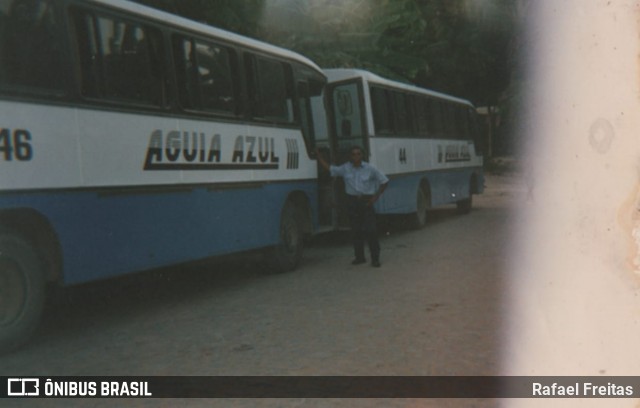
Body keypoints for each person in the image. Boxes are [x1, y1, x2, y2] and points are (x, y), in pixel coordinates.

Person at [316, 146, 389, 267]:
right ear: (350, 156)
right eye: (353, 154)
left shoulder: (370, 168)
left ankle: (375, 258)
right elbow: (331, 169)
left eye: (358, 154)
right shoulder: (345, 168)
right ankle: (359, 257)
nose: (356, 157)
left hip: (366, 201)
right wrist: (319, 157)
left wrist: (374, 198)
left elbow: (385, 181)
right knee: (356, 230)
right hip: (352, 202)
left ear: (362, 155)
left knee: (371, 231)